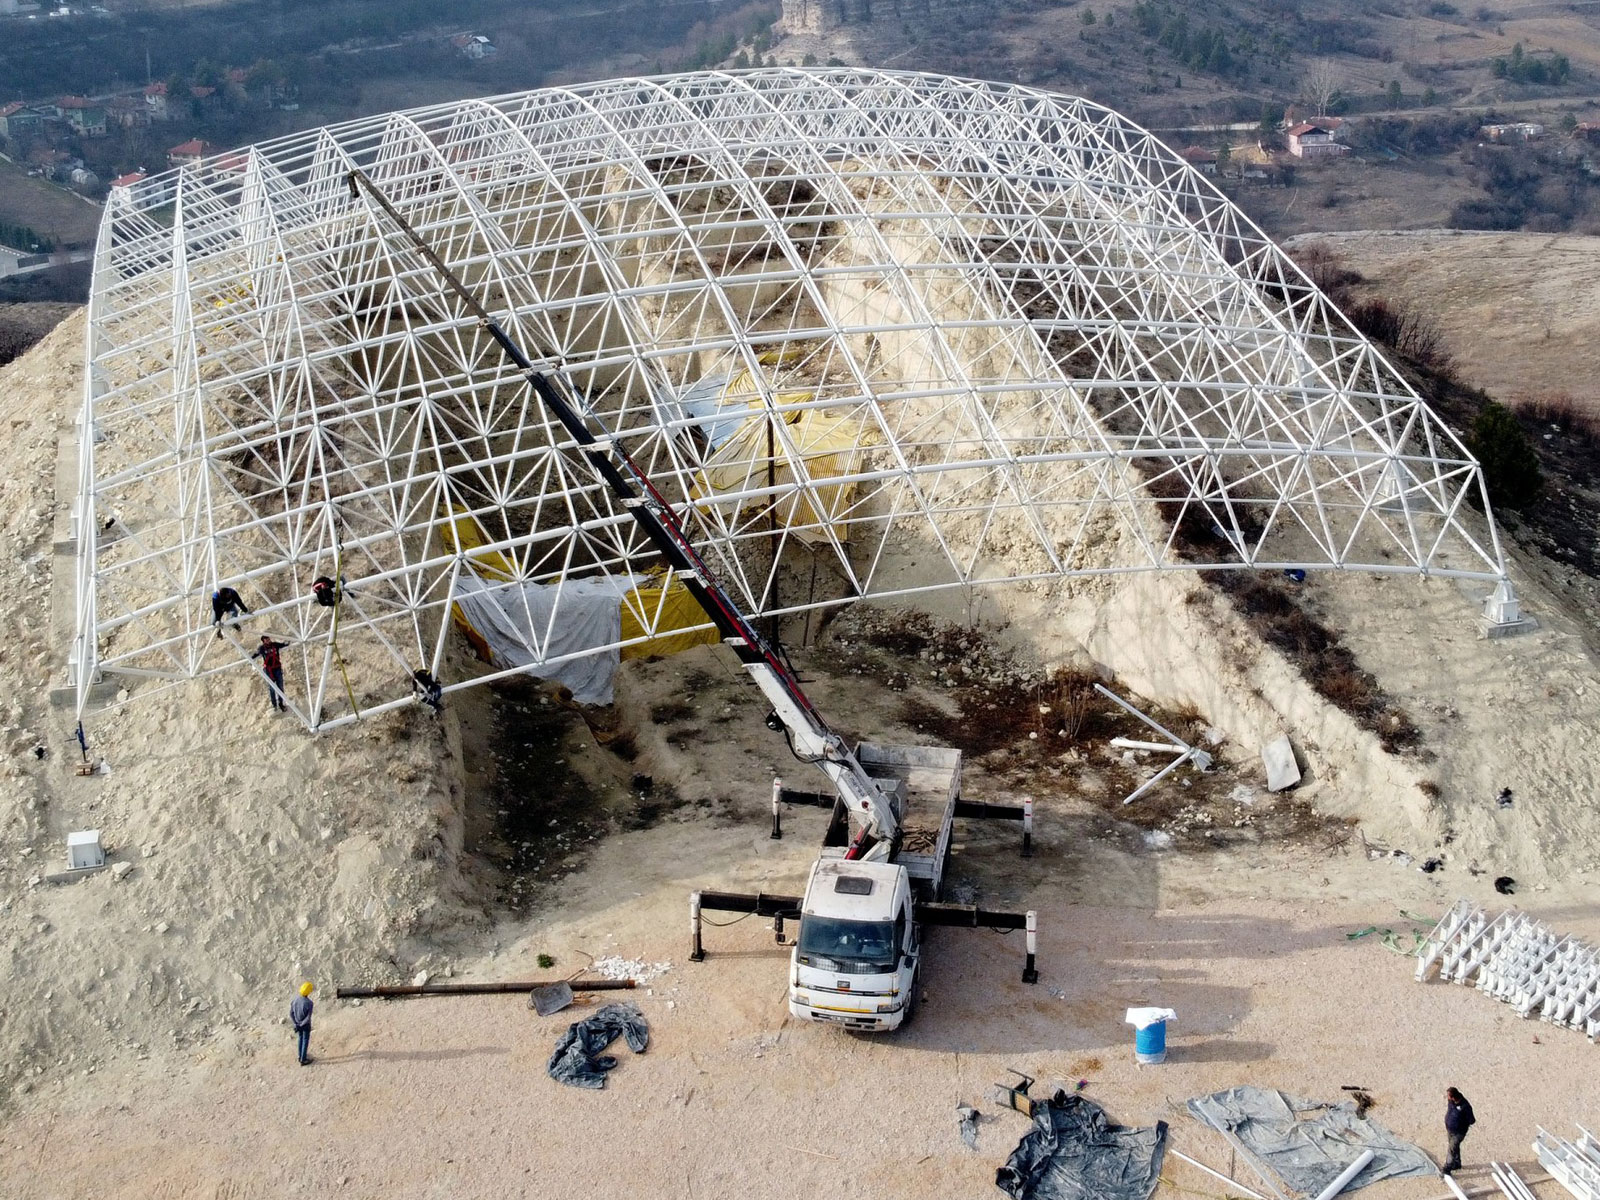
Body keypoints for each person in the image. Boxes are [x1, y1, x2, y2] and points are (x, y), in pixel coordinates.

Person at [251, 635, 290, 712]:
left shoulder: (275, 645)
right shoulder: (262, 648)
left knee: (280, 687)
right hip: (269, 670)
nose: (268, 640)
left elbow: (283, 645)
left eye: (268, 638)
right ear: (263, 641)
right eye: (266, 639)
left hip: (277, 668)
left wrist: (287, 642)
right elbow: (256, 654)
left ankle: (281, 704)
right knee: (272, 688)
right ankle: (274, 705)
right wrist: (250, 657)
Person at [1444, 1086, 1475, 1174]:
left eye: (1448, 1096)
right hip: (1450, 1129)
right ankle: (1457, 1163)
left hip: (1459, 1133)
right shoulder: (1451, 1101)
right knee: (1454, 1147)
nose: (1447, 1098)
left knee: (1451, 1149)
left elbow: (1472, 1120)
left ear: (1453, 1097)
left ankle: (1447, 1168)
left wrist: (1461, 1124)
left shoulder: (1466, 1107)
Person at [291, 981, 314, 1066]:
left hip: (297, 1023)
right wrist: (302, 1024)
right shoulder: (309, 1003)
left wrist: (296, 1023)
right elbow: (308, 1017)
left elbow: (291, 1013)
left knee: (300, 1038)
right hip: (305, 1025)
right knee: (305, 1040)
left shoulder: (295, 1000)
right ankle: (303, 1059)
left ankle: (300, 1055)